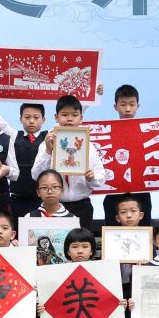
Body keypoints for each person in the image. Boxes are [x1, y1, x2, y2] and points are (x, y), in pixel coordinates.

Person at [32, 95, 106, 230]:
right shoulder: (47, 144)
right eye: (64, 115)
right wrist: (48, 151)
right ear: (56, 117)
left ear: (81, 118)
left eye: (74, 115)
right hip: (54, 206)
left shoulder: (89, 146)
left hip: (82, 207)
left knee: (80, 242)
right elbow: (36, 175)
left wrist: (92, 177)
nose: (69, 119)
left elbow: (101, 176)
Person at [101, 84, 152, 225]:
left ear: (138, 106)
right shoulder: (106, 132)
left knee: (143, 232)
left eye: (132, 104)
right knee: (112, 233)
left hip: (141, 192)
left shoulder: (146, 131)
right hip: (114, 192)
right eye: (123, 104)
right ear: (115, 106)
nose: (128, 109)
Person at [8, 103, 48, 217]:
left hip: (43, 200)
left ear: (44, 120)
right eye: (27, 117)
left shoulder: (49, 136)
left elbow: (67, 125)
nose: (31, 121)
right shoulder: (14, 135)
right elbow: (0, 122)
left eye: (36, 117)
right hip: (18, 200)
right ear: (20, 119)